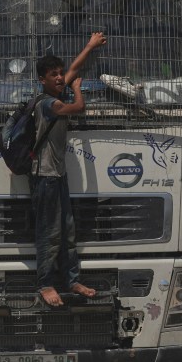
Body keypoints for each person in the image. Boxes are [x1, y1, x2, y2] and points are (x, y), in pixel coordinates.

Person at [32, 32, 107, 307]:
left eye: (60, 73)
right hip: (45, 179)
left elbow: (73, 70)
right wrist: (77, 88)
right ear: (42, 80)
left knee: (67, 230)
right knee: (49, 233)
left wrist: (89, 46)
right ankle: (45, 284)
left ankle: (72, 279)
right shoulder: (47, 104)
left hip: (58, 176)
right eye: (53, 75)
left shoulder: (56, 92)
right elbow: (79, 107)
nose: (60, 78)